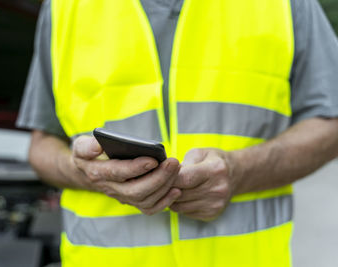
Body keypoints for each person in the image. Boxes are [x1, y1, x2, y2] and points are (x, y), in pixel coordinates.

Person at [17, 0, 338, 266]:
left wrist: (241, 172)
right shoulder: (65, 6)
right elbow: (41, 146)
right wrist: (86, 171)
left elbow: (331, 124)